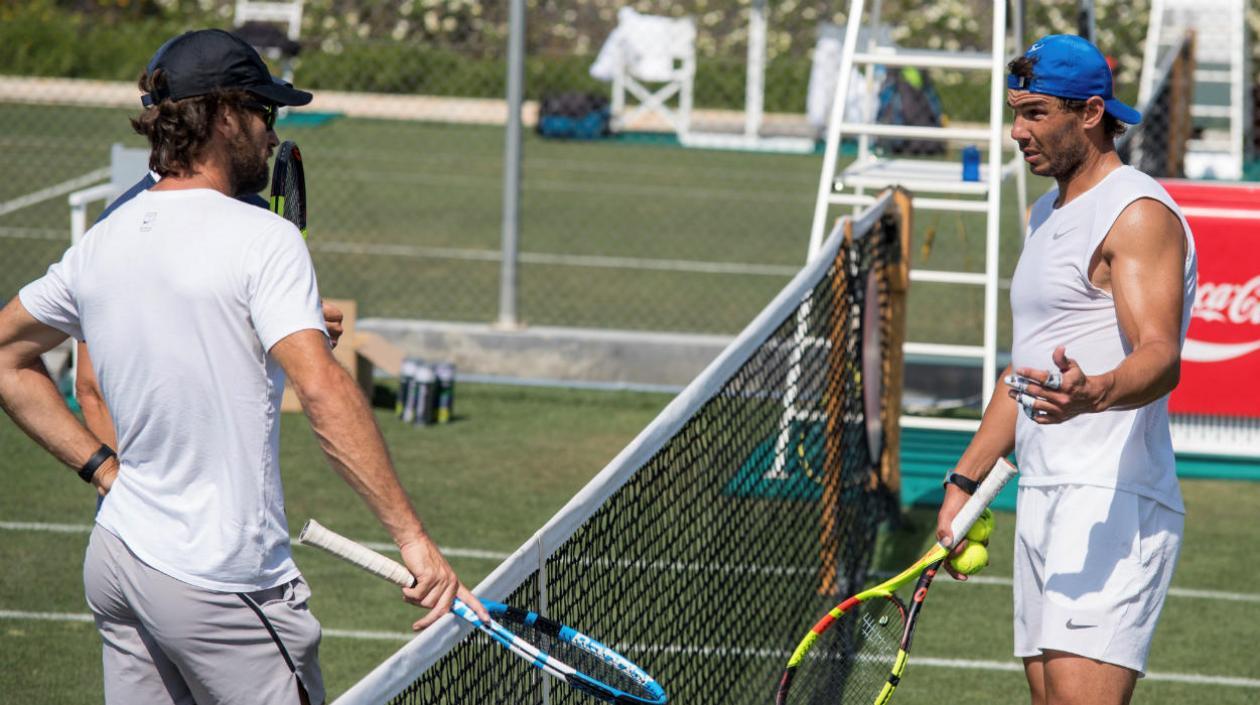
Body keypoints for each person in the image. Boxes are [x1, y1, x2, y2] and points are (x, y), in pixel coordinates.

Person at [0, 28, 487, 705]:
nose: (273, 133)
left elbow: (8, 355)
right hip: (222, 578)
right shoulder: (266, 240)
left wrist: (107, 474)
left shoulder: (102, 240)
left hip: (117, 560)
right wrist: (415, 540)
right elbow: (323, 393)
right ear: (225, 115)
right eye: (264, 111)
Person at [934, 35, 1196, 705]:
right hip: (1044, 492)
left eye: (1036, 113)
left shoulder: (1135, 213)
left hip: (1111, 498)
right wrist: (964, 481)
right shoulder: (1044, 213)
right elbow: (1021, 373)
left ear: (1091, 113)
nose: (1018, 132)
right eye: (1016, 113)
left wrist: (1095, 392)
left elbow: (1160, 353)